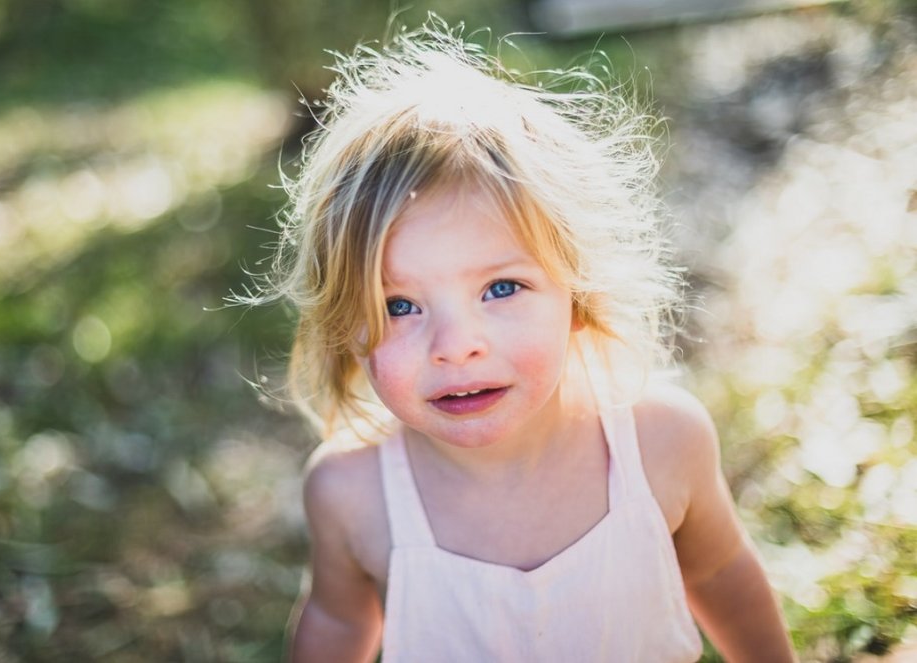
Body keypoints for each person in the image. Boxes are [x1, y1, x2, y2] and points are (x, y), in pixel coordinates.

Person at [249, 19, 795, 662]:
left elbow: (718, 572)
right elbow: (338, 624)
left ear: (578, 292)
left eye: (501, 289)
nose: (456, 345)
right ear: (346, 327)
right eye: (399, 305)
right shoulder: (352, 492)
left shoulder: (660, 443)